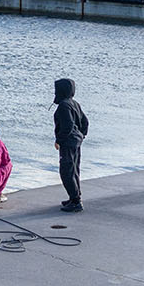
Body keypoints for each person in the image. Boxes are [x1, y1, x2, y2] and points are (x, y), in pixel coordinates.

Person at [53, 76, 89, 212]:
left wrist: (59, 141)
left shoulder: (63, 106)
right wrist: (81, 135)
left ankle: (76, 201)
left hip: (68, 143)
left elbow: (67, 126)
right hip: (76, 142)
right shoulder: (74, 103)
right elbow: (85, 122)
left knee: (66, 171)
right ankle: (74, 197)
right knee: (74, 170)